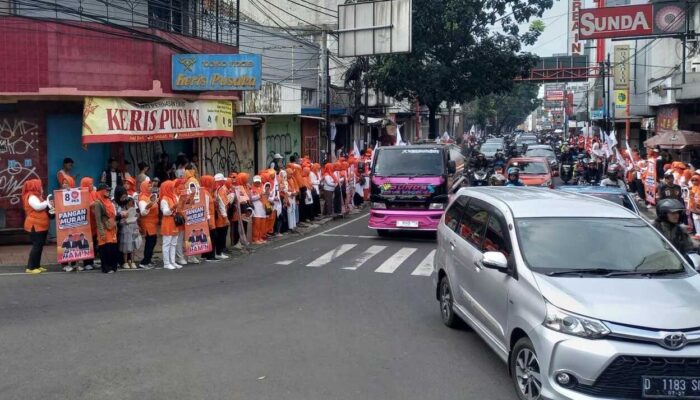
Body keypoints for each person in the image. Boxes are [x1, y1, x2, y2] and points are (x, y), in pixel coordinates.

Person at [22, 179, 50, 274]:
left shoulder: (38, 196)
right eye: (40, 186)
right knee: (37, 246)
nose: (41, 188)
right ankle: (30, 267)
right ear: (35, 186)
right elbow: (37, 207)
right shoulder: (31, 197)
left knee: (40, 246)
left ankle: (37, 265)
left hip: (41, 226)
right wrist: (47, 202)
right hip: (35, 226)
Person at [94, 183, 119, 274]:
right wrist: (101, 233)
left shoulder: (109, 201)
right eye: (106, 190)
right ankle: (106, 268)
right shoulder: (98, 203)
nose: (108, 192)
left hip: (112, 228)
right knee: (105, 249)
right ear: (101, 191)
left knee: (112, 248)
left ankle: (113, 266)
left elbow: (114, 215)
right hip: (104, 228)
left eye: (109, 190)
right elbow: (98, 219)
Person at [159, 181, 181, 270]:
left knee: (173, 243)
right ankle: (166, 263)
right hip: (168, 222)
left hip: (174, 222)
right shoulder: (164, 199)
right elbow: (165, 212)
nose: (173, 188)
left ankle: (173, 261)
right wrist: (173, 207)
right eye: (171, 187)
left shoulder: (174, 197)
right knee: (167, 243)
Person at [138, 180, 158, 269]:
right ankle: (144, 262)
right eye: (149, 186)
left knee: (153, 241)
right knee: (150, 242)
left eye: (151, 186)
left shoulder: (150, 196)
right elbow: (143, 213)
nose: (150, 188)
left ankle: (148, 259)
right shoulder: (142, 198)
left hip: (153, 223)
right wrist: (149, 206)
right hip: (147, 223)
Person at [213, 173, 231, 259]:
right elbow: (222, 205)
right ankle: (219, 252)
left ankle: (219, 252)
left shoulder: (217, 189)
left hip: (219, 215)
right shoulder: (219, 190)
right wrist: (226, 217)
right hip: (221, 217)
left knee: (220, 234)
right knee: (221, 234)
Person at [118, 196, 139, 269]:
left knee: (133, 246)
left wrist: (137, 227)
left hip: (133, 228)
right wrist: (125, 220)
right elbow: (120, 222)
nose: (131, 205)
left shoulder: (134, 210)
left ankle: (133, 262)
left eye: (132, 203)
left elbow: (135, 220)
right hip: (126, 230)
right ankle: (125, 262)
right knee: (126, 246)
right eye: (130, 203)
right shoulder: (122, 211)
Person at [250, 175, 268, 244]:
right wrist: (259, 195)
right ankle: (255, 239)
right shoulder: (251, 189)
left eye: (258, 181)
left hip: (263, 209)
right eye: (256, 182)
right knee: (256, 225)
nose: (257, 183)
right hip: (256, 210)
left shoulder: (261, 188)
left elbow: (265, 198)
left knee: (262, 224)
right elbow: (251, 198)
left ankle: (260, 237)